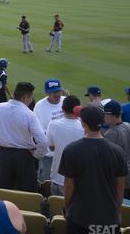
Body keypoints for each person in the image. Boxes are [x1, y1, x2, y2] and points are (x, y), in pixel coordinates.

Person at [59, 105, 127, 233]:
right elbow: (120, 187)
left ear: (83, 123)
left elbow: (68, 185)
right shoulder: (117, 151)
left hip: (79, 218)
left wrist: (67, 208)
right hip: (108, 219)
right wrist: (116, 212)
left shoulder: (71, 150)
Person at [0, 82, 48, 192]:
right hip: (25, 158)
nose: (31, 101)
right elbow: (43, 142)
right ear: (25, 97)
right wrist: (36, 155)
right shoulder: (29, 114)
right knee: (26, 194)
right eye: (31, 97)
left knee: (4, 192)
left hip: (4, 156)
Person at [46, 96, 83, 196]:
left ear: (62, 109)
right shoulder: (84, 127)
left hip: (58, 177)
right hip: (77, 179)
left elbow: (51, 147)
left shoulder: (53, 124)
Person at [33, 79, 66, 182]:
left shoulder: (66, 101)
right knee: (46, 179)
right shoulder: (39, 106)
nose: (57, 95)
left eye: (58, 91)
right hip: (49, 153)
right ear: (47, 93)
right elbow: (37, 130)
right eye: (53, 92)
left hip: (65, 151)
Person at [103, 100, 130, 200]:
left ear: (111, 115)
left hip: (120, 177)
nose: (104, 117)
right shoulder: (128, 125)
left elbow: (108, 161)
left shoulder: (110, 134)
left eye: (105, 114)